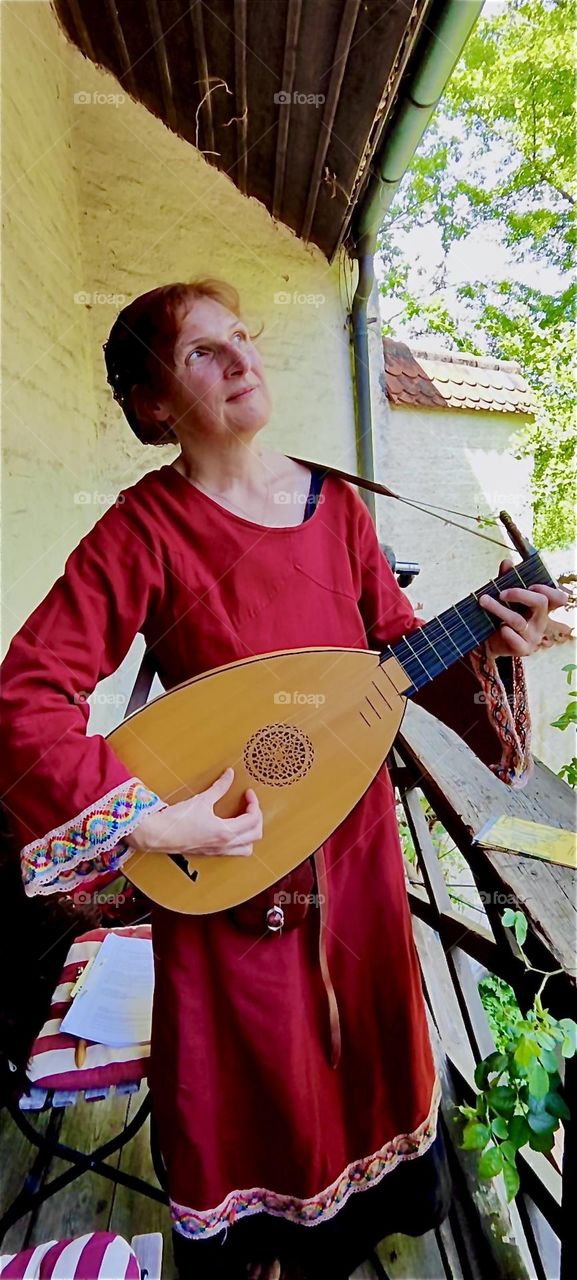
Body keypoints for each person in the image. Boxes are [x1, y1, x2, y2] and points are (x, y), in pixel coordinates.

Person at [0, 279, 565, 1280]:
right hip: (231, 878)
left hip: (351, 866)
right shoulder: (142, 531)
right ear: (153, 404)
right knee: (252, 1112)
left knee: (364, 1077)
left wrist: (494, 639)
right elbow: (25, 700)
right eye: (202, 353)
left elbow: (396, 652)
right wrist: (159, 820)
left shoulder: (338, 504)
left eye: (242, 338)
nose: (240, 359)